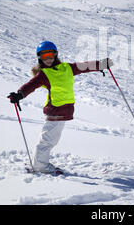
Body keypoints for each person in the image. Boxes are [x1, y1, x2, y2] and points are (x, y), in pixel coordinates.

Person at [7, 41, 113, 173]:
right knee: (48, 141)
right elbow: (31, 84)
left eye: (50, 55)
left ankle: (38, 162)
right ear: (40, 58)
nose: (48, 59)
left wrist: (102, 64)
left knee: (50, 139)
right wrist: (20, 94)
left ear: (56, 55)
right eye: (44, 56)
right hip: (55, 111)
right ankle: (40, 166)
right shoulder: (44, 74)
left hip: (63, 111)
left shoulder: (67, 68)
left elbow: (85, 66)